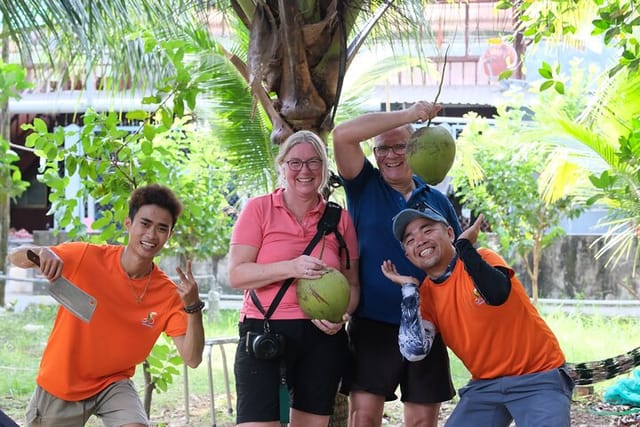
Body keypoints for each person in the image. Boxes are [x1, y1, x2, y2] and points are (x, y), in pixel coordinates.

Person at [8, 184, 205, 427]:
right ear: (128, 224)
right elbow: (15, 256)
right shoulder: (86, 257)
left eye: (162, 228)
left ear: (170, 235)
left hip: (113, 382)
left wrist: (194, 307)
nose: (152, 235)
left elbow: (192, 358)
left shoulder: (168, 294)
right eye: (145, 224)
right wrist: (41, 251)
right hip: (63, 381)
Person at [382, 205, 575, 427]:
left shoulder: (483, 258)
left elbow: (497, 294)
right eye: (410, 239)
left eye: (427, 230)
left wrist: (464, 247)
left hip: (538, 376)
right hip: (486, 387)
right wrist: (408, 290)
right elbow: (414, 351)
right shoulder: (426, 294)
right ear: (408, 254)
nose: (420, 240)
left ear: (450, 233)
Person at [331, 101, 462, 426]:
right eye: (381, 149)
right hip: (372, 323)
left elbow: (457, 262)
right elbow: (343, 135)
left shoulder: (436, 200)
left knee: (421, 421)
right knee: (363, 417)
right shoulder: (364, 186)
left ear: (415, 148)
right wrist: (408, 116)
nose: (390, 155)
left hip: (426, 324)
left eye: (400, 146)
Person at [228, 130, 360, 427]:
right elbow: (237, 274)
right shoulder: (258, 209)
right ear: (282, 166)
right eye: (295, 162)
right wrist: (292, 267)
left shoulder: (341, 220)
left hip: (321, 336)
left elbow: (352, 283)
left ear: (324, 169)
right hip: (265, 328)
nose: (305, 170)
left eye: (314, 162)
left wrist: (344, 315)